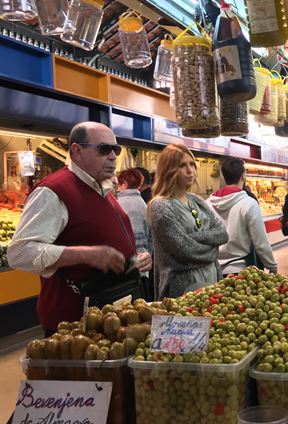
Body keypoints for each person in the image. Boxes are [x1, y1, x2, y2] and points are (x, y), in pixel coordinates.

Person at [7, 122, 152, 335]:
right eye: (104, 149)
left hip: (111, 314)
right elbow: (20, 253)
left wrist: (135, 259)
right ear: (76, 150)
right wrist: (85, 254)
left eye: (116, 149)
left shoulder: (103, 190)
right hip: (74, 327)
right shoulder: (53, 192)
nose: (113, 156)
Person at [148, 144, 228, 299]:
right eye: (182, 166)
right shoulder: (160, 206)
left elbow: (222, 234)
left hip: (212, 280)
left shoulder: (196, 200)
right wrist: (213, 250)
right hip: (183, 288)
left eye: (192, 164)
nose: (190, 170)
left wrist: (192, 238)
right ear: (168, 170)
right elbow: (185, 250)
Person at [206, 158, 277, 275]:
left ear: (224, 177)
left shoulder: (208, 203)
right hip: (241, 271)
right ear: (243, 176)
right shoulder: (249, 204)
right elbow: (260, 241)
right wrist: (272, 265)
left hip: (214, 271)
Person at [116, 168, 153, 299]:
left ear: (124, 184)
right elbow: (151, 239)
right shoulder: (144, 204)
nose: (117, 189)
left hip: (126, 270)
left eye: (119, 185)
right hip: (144, 266)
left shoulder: (119, 204)